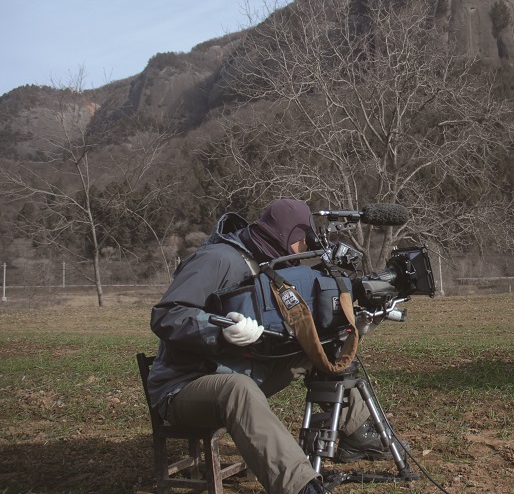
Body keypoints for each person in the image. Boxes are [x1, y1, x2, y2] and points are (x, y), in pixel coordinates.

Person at [147, 199, 384, 494]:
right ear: (288, 237)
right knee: (238, 390)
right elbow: (166, 315)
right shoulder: (218, 259)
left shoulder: (270, 264)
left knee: (319, 350)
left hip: (240, 369)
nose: (304, 249)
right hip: (184, 386)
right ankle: (302, 487)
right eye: (302, 241)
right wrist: (219, 330)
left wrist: (348, 327)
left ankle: (359, 433)